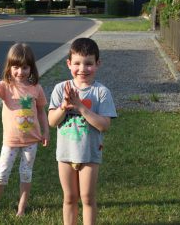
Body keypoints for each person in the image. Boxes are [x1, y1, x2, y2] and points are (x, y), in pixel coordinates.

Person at [48, 38, 117, 225]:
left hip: (89, 154)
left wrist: (80, 107)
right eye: (77, 63)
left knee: (87, 198)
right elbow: (52, 122)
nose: (82, 69)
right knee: (69, 198)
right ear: (69, 64)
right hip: (65, 154)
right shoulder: (60, 89)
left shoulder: (101, 92)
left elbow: (104, 125)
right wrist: (63, 106)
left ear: (97, 64)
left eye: (88, 64)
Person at [0, 43, 49, 216]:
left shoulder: (36, 89)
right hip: (10, 142)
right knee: (2, 172)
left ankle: (21, 207)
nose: (20, 72)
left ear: (31, 68)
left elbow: (41, 111)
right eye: (16, 67)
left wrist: (45, 132)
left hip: (31, 141)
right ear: (9, 67)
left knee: (26, 174)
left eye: (25, 67)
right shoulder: (4, 86)